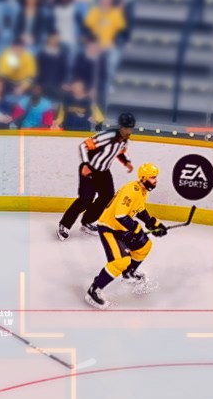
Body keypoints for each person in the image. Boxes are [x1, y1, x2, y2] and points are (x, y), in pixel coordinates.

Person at [83, 164, 163, 305]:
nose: (156, 180)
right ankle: (94, 289)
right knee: (120, 261)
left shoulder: (142, 191)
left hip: (122, 228)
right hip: (109, 228)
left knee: (144, 246)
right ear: (143, 178)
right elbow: (120, 215)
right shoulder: (131, 190)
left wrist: (151, 223)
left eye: (156, 177)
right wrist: (135, 228)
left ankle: (128, 274)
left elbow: (139, 209)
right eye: (152, 177)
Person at [61, 111, 134, 239]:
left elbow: (121, 152)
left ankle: (88, 221)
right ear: (120, 127)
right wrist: (85, 164)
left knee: (107, 196)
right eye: (126, 128)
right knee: (85, 199)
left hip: (104, 172)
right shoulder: (108, 136)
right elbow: (84, 146)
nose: (129, 131)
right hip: (89, 169)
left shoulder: (124, 141)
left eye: (130, 128)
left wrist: (126, 162)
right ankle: (64, 224)